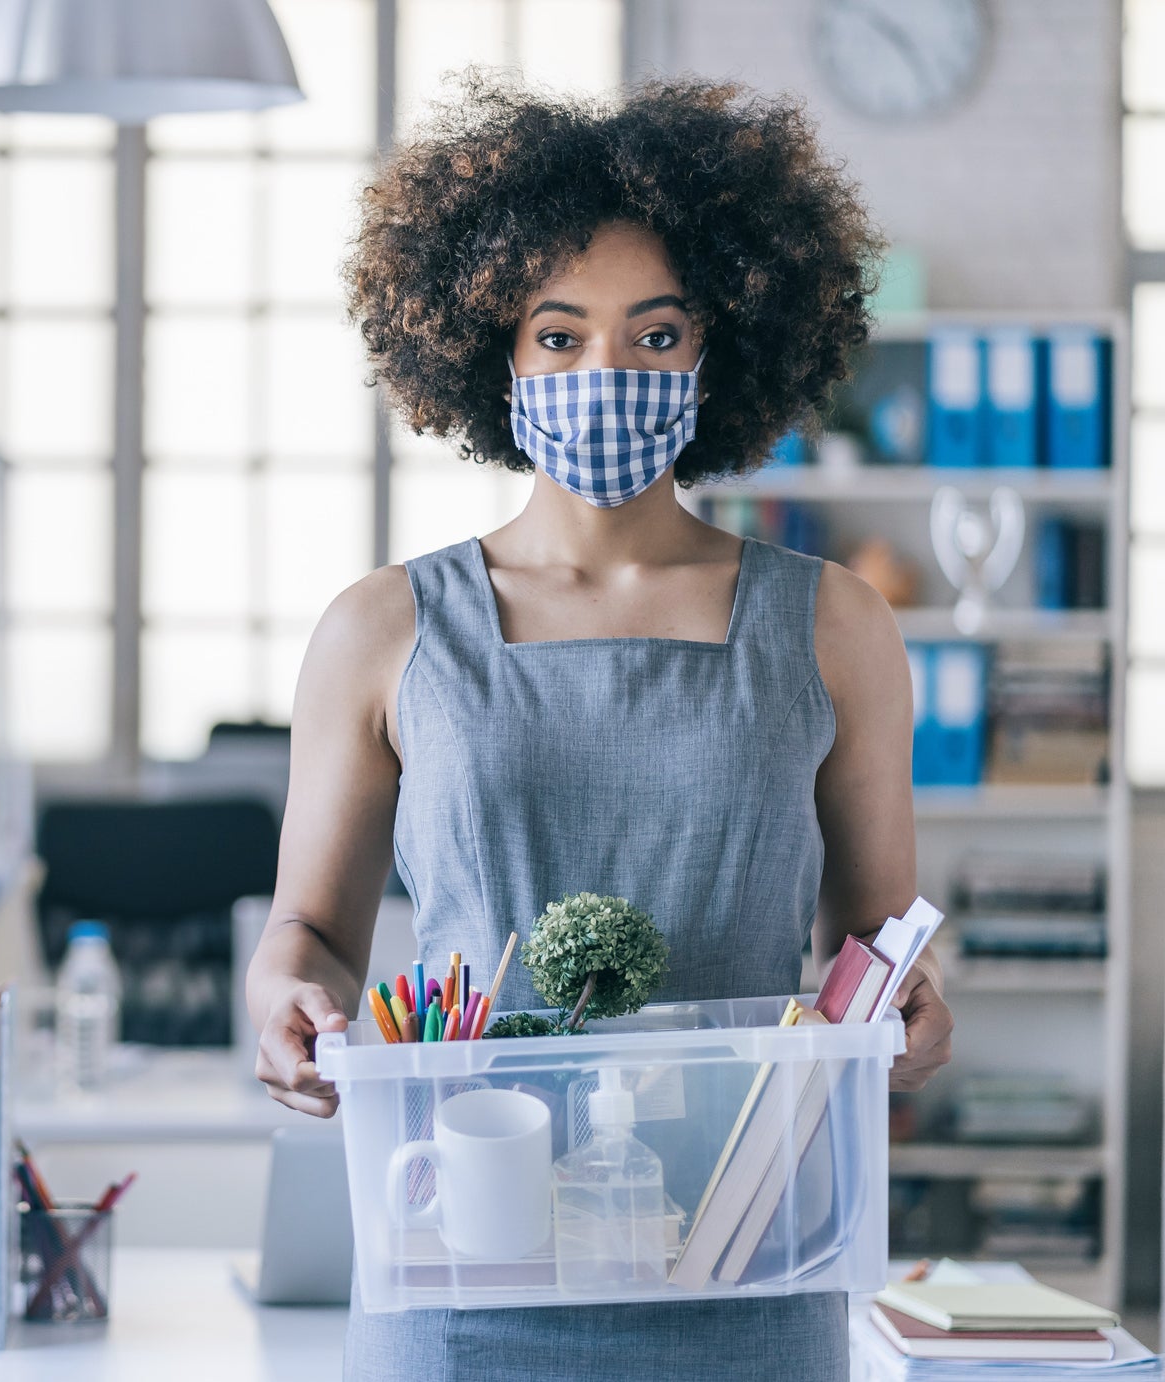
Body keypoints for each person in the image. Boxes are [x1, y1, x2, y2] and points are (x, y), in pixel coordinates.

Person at [246, 78, 953, 1380]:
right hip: (465, 1266)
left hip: (749, 1270)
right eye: (559, 336)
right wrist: (286, 996)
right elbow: (314, 932)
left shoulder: (835, 626)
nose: (605, 375)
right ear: (491, 350)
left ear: (722, 349)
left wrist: (905, 1019)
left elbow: (876, 951)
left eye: (657, 334)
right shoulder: (382, 628)